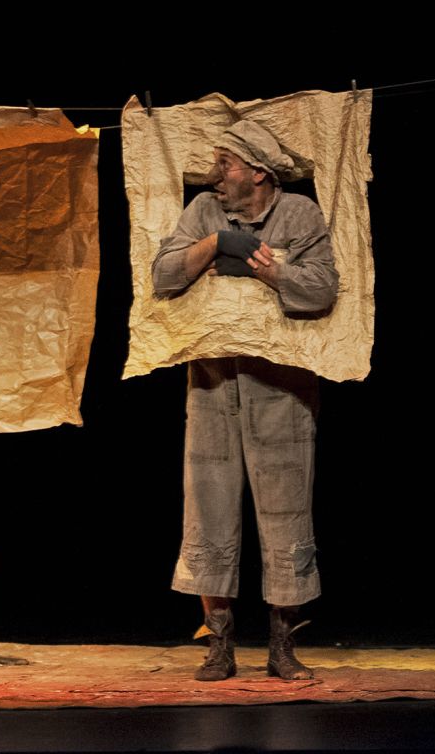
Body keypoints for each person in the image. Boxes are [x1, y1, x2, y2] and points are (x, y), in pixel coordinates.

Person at [151, 120, 339, 681]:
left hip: (281, 388)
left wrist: (268, 269)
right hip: (212, 383)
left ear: (258, 171)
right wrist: (215, 246)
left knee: (286, 511)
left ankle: (282, 646)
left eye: (225, 164)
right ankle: (220, 644)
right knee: (207, 508)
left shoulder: (299, 213)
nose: (215, 175)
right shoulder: (204, 211)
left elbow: (321, 287)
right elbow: (164, 275)